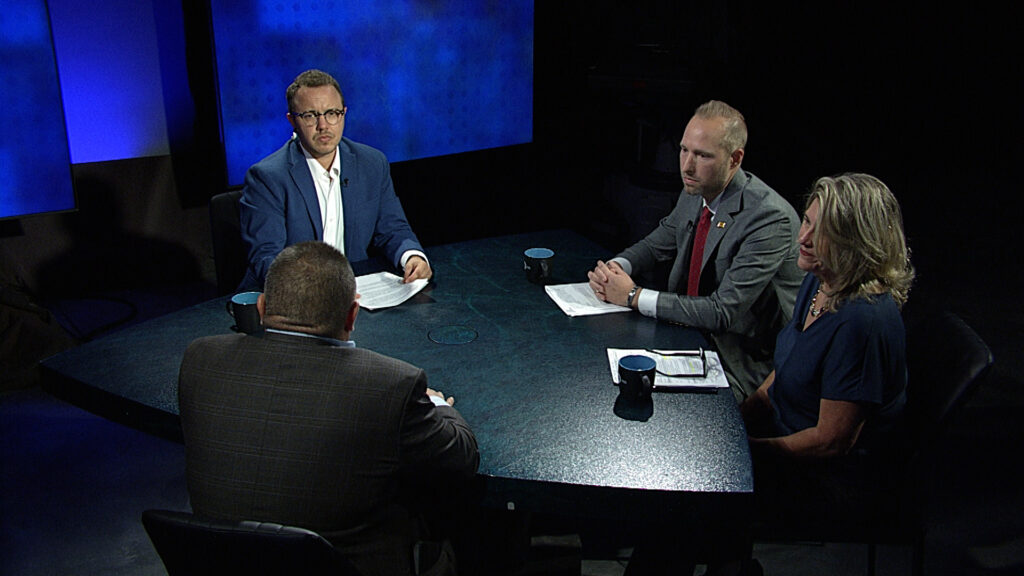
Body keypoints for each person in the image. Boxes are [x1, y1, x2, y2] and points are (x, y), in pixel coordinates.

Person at [628, 173, 915, 576]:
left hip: (824, 477)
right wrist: (734, 421)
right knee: (686, 476)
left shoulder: (862, 323)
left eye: (822, 231)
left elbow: (831, 442)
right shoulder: (819, 282)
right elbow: (781, 372)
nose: (803, 238)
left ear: (856, 243)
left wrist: (747, 449)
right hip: (781, 442)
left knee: (685, 496)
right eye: (807, 221)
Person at [178, 241, 478, 576]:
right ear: (353, 314)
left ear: (261, 308)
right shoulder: (391, 385)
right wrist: (437, 403)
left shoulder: (199, 359)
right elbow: (461, 459)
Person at [588, 100, 803, 402]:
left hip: (740, 359)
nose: (687, 165)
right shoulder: (697, 187)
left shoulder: (768, 218)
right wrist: (613, 269)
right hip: (688, 334)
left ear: (735, 158)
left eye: (702, 155)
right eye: (684, 150)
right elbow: (655, 244)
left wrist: (631, 295)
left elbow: (722, 311)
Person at [238, 69, 431, 290]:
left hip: (355, 293)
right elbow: (267, 259)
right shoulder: (267, 177)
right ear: (292, 120)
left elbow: (393, 228)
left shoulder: (371, 163)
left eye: (332, 113)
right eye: (310, 115)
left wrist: (412, 257)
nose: (323, 126)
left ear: (343, 114)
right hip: (293, 300)